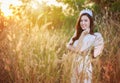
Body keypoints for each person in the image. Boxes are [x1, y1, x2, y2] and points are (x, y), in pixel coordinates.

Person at [66, 9, 104, 83]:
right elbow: (68, 45)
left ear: (90, 22)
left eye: (86, 20)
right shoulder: (77, 34)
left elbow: (78, 49)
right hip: (74, 64)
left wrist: (74, 48)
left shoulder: (93, 37)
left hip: (84, 66)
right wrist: (74, 48)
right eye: (81, 20)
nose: (83, 23)